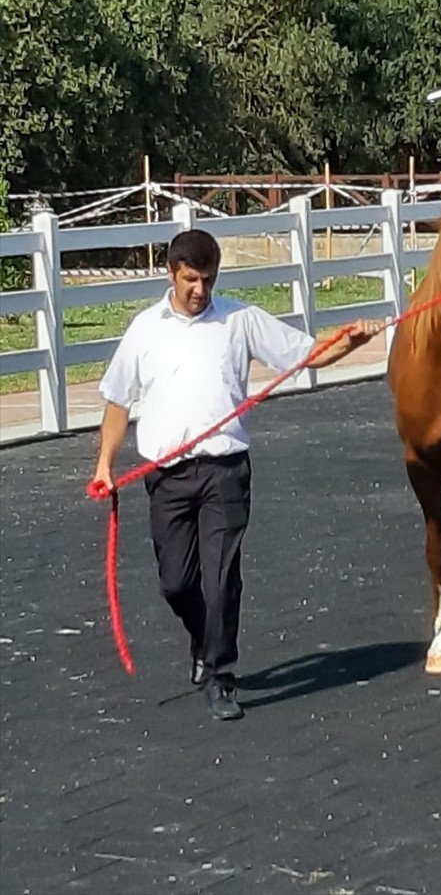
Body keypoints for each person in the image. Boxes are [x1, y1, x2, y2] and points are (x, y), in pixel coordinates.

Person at [90, 230, 386, 720]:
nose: (200, 290)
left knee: (222, 577)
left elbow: (305, 355)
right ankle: (203, 640)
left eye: (208, 279)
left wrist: (350, 343)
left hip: (225, 472)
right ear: (171, 273)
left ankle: (221, 676)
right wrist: (105, 463)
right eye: (190, 279)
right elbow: (118, 401)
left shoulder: (240, 319)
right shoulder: (145, 329)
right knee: (176, 584)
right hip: (167, 478)